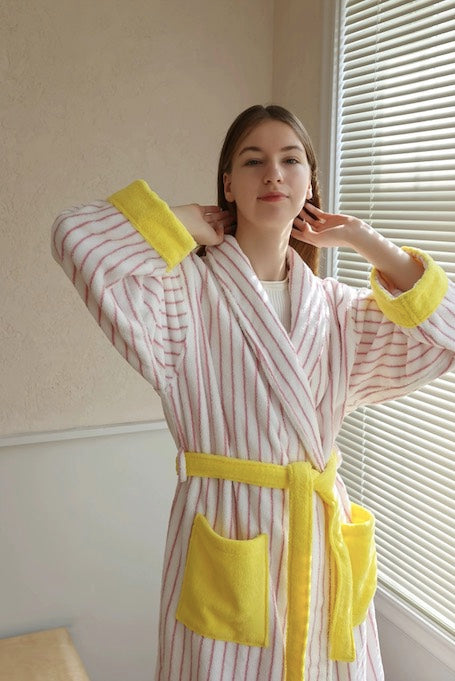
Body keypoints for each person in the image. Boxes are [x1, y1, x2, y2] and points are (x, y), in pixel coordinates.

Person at [51, 105, 455, 681]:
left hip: (322, 545)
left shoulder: (338, 311)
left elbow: (445, 334)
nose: (273, 174)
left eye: (291, 161)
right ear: (229, 184)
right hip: (228, 529)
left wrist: (365, 240)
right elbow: (75, 237)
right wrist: (180, 221)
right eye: (253, 161)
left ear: (309, 185)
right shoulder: (185, 294)